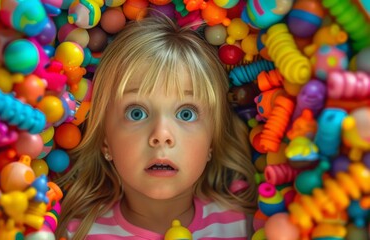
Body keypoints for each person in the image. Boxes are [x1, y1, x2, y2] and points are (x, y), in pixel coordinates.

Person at [55, 14, 257, 240]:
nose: (161, 135)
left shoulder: (246, 224)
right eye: (136, 113)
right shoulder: (75, 233)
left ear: (211, 139)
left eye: (186, 114)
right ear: (105, 140)